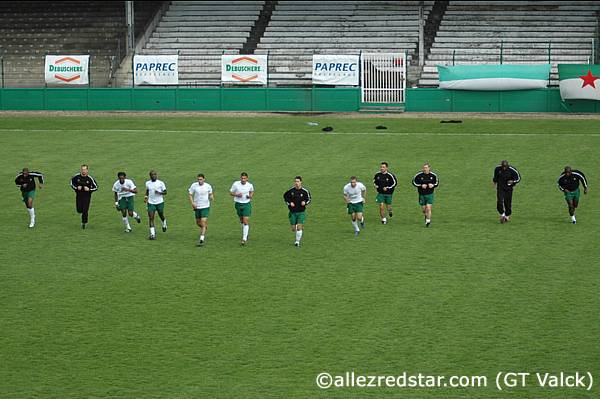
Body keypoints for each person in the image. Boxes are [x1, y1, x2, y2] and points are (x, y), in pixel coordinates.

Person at [283, 176, 312, 247]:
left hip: (301, 212)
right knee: (293, 229)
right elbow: (285, 197)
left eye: (298, 181)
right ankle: (298, 227)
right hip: (292, 212)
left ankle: (297, 241)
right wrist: (290, 203)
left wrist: (305, 202)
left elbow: (309, 199)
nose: (296, 183)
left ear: (301, 182)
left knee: (299, 227)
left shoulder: (305, 191)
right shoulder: (290, 191)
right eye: (295, 181)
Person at [70, 164, 99, 229]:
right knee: (79, 210)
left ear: (87, 170)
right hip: (79, 196)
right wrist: (76, 188)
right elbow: (71, 183)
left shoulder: (90, 179)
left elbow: (96, 187)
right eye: (82, 169)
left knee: (85, 210)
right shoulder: (77, 177)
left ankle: (84, 222)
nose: (83, 171)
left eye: (85, 169)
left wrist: (89, 189)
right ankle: (81, 212)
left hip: (87, 196)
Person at [229, 172, 254, 246]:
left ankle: (244, 239)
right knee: (241, 220)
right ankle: (245, 234)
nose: (243, 180)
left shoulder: (250, 185)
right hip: (238, 204)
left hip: (246, 204)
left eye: (244, 178)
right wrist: (236, 194)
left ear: (247, 178)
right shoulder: (236, 184)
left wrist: (250, 196)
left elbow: (252, 191)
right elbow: (230, 192)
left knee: (245, 221)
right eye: (242, 178)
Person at [189, 173, 214, 246]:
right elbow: (190, 194)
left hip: (205, 206)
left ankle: (201, 239)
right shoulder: (194, 185)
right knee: (198, 222)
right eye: (198, 179)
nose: (199, 181)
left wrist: (212, 197)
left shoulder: (208, 186)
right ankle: (204, 228)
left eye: (201, 179)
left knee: (203, 221)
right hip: (197, 207)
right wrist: (192, 203)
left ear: (204, 179)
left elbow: (210, 194)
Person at [412, 163, 439, 227]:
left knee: (428, 208)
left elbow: (437, 183)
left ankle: (428, 221)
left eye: (426, 168)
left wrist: (433, 185)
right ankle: (426, 216)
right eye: (424, 168)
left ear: (429, 168)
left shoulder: (433, 175)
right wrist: (421, 185)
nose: (425, 169)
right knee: (424, 210)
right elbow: (413, 182)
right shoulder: (418, 175)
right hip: (421, 195)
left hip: (430, 194)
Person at [144, 170, 167, 240]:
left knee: (161, 214)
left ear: (156, 175)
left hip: (159, 202)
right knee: (151, 218)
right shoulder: (147, 183)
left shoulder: (160, 183)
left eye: (155, 174)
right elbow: (147, 190)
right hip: (151, 203)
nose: (153, 176)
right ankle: (152, 234)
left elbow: (165, 192)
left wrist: (159, 192)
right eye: (152, 175)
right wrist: (145, 197)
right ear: (150, 176)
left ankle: (164, 222)